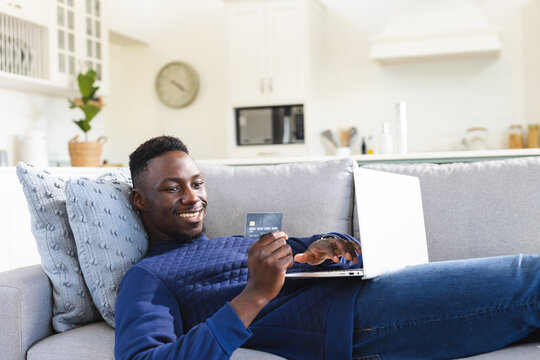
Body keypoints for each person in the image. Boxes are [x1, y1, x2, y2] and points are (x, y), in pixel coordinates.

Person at [115, 136, 540, 360]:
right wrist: (255, 295)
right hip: (353, 321)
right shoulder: (148, 278)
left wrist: (326, 246)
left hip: (365, 288)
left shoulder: (232, 242)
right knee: (531, 278)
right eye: (172, 189)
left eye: (197, 183)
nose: (192, 197)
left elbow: (311, 247)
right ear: (140, 200)